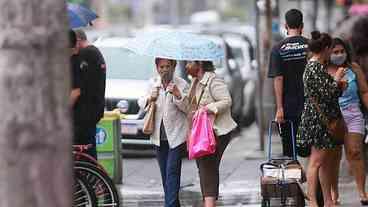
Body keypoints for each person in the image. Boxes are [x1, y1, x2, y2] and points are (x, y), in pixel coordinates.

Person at [297, 31, 347, 207]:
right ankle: (313, 201)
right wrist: (338, 79)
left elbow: (328, 91)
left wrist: (337, 85)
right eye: (331, 49)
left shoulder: (316, 66)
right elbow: (328, 93)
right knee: (316, 162)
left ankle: (327, 200)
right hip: (319, 120)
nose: (332, 53)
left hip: (322, 119)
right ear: (325, 49)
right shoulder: (314, 67)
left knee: (323, 163)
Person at [182, 61, 237, 207]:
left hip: (217, 131)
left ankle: (209, 202)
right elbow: (189, 106)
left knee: (207, 166)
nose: (186, 66)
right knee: (205, 167)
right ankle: (209, 200)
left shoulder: (213, 80)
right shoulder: (195, 81)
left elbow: (226, 101)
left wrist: (208, 108)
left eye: (190, 62)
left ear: (199, 64)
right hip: (201, 132)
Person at [138, 58, 189, 207]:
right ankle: (174, 204)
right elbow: (141, 102)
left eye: (168, 66)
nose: (164, 70)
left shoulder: (181, 84)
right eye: (161, 67)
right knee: (165, 175)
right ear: (157, 67)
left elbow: (188, 108)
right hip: (158, 137)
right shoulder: (153, 84)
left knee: (172, 172)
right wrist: (150, 98)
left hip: (176, 136)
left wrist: (178, 95)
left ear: (173, 66)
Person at [327, 38, 368, 205]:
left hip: (353, 114)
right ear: (328, 53)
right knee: (333, 156)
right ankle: (334, 193)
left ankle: (362, 192)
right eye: (335, 52)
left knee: (355, 152)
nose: (339, 55)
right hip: (333, 117)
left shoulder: (354, 68)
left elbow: (364, 91)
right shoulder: (323, 70)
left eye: (342, 51)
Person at [268, 9, 309, 157]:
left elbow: (278, 78)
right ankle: (311, 179)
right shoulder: (310, 46)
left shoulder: (278, 49)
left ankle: (295, 179)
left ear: (286, 25)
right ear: (302, 25)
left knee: (290, 152)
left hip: (287, 108)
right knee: (312, 151)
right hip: (310, 107)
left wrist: (279, 108)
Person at [73, 29, 106, 159]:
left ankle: (91, 177)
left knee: (85, 152)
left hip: (85, 112)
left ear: (78, 40)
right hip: (93, 110)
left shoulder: (87, 54)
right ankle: (93, 177)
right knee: (89, 150)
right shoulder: (95, 53)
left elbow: (78, 88)